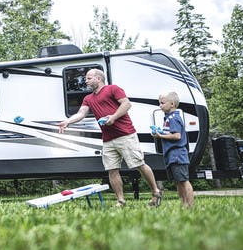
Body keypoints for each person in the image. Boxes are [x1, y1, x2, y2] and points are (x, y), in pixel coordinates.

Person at [58, 68, 163, 207]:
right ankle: (121, 200)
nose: (86, 81)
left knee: (138, 164)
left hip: (125, 134)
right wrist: (67, 122)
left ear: (98, 79)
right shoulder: (88, 98)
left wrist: (113, 117)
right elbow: (81, 113)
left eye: (89, 78)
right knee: (112, 169)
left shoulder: (113, 89)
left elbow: (127, 104)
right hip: (108, 139)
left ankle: (156, 191)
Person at [153, 91, 194, 208]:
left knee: (184, 180)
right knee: (179, 181)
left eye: (162, 103)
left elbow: (177, 136)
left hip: (177, 154)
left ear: (172, 104)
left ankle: (190, 206)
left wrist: (161, 136)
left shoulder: (173, 118)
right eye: (159, 103)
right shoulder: (168, 117)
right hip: (172, 154)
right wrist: (160, 133)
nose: (160, 105)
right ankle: (184, 204)